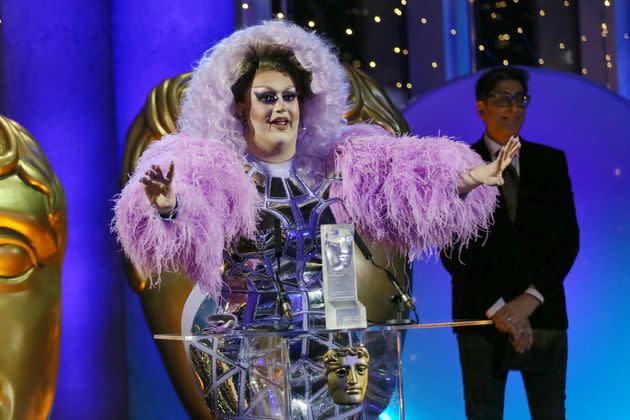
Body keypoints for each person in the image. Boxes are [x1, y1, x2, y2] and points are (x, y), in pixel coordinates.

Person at [113, 21, 518, 419]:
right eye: (266, 98)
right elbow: (181, 231)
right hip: (252, 354)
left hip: (332, 350)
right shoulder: (216, 172)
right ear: (240, 107)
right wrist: (168, 206)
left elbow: (414, 192)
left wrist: (466, 180)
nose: (281, 108)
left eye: (289, 97)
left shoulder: (341, 165)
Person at [441, 66, 579, 419]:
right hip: (482, 316)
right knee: (483, 412)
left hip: (542, 311)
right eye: (503, 99)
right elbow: (453, 249)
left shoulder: (551, 162)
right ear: (481, 107)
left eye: (520, 99)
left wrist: (529, 300)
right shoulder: (461, 166)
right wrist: (501, 308)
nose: (513, 108)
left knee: (551, 411)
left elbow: (566, 240)